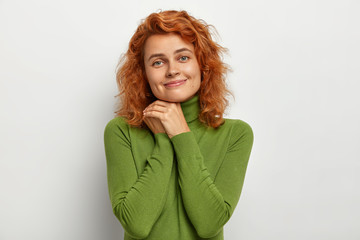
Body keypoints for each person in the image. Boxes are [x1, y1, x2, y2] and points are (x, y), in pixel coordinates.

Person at [104, 10, 254, 240]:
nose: (172, 70)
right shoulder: (121, 132)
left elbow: (209, 224)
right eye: (158, 62)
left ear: (202, 65)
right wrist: (163, 141)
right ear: (143, 74)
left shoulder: (236, 134)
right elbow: (136, 225)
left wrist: (181, 134)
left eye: (183, 57)